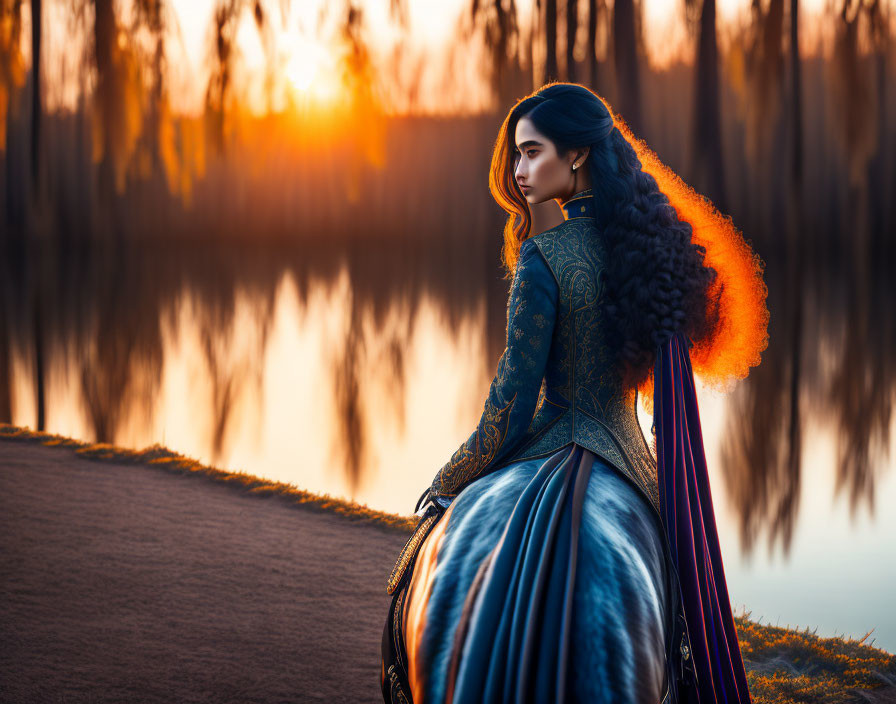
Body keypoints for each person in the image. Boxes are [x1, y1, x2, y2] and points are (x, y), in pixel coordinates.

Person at [381, 82, 768, 704]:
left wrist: (452, 478)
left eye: (532, 152)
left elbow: (511, 400)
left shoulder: (544, 257)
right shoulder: (649, 251)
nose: (518, 170)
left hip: (548, 442)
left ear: (577, 156)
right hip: (630, 463)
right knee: (679, 618)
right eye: (515, 155)